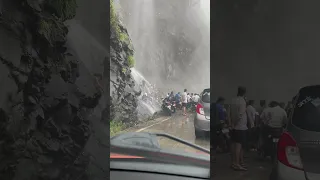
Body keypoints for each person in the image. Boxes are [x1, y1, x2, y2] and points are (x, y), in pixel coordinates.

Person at [230, 86, 248, 171]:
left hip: (234, 127)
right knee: (238, 146)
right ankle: (237, 164)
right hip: (240, 127)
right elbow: (240, 115)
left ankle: (234, 163)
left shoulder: (233, 100)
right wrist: (235, 123)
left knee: (234, 145)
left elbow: (229, 113)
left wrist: (232, 124)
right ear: (244, 92)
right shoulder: (242, 101)